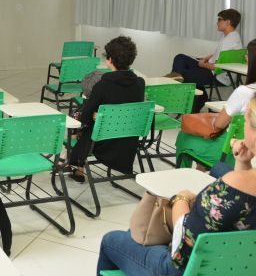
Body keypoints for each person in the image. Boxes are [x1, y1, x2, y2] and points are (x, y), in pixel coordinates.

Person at [97, 96, 256, 276]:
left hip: (184, 270)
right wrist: (243, 165)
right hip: (242, 269)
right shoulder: (240, 182)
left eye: (244, 122)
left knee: (111, 241)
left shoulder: (232, 186)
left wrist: (181, 199)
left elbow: (184, 241)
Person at [66, 36, 145, 182]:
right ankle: (76, 166)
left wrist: (101, 116)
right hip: (128, 140)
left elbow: (84, 118)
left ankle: (77, 167)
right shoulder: (140, 83)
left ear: (109, 59)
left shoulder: (103, 86)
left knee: (77, 118)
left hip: (103, 142)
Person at [176, 38, 256, 176]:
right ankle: (199, 173)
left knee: (185, 135)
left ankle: (182, 179)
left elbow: (219, 124)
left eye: (247, 55)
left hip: (233, 153)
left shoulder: (245, 92)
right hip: (250, 155)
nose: (245, 58)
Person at [166, 8, 242, 89]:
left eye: (219, 19)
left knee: (181, 74)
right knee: (180, 58)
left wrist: (202, 64)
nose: (217, 23)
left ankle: (171, 86)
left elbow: (217, 67)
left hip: (217, 77)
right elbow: (223, 54)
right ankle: (196, 95)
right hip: (214, 72)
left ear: (228, 22)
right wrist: (207, 58)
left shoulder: (228, 41)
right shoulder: (233, 35)